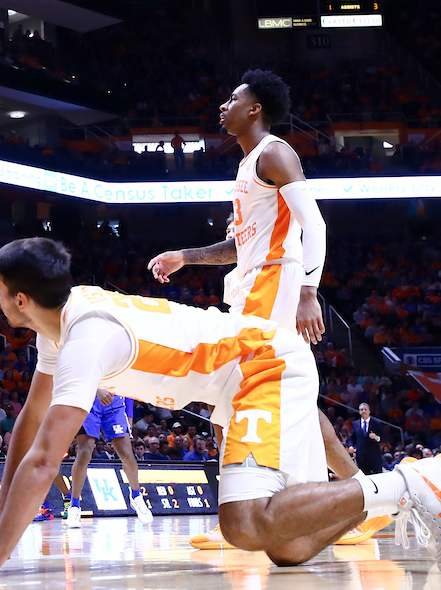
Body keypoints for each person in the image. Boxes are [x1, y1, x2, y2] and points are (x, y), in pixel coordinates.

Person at [0, 238, 441, 581]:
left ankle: (413, 482)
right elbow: (29, 424)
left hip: (261, 363)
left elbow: (45, 460)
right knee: (291, 547)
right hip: (241, 377)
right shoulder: (57, 326)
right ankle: (394, 496)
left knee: (244, 523)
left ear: (20, 298)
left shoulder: (85, 338)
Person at [147, 69, 372, 549]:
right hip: (252, 283)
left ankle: (338, 499)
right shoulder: (249, 165)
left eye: (232, 98)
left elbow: (315, 223)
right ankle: (359, 498)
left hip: (275, 283)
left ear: (255, 109)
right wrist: (186, 257)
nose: (222, 105)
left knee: (242, 388)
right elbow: (239, 244)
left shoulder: (274, 151)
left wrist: (309, 289)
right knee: (273, 398)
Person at [64, 392, 150, 528]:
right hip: (89, 401)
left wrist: (130, 414)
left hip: (114, 404)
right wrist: (97, 390)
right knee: (84, 452)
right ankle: (74, 506)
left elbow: (127, 382)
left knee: (127, 453)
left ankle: (136, 496)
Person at [352, 402, 387, 475]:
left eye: (365, 409)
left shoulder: (377, 423)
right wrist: (351, 446)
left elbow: (384, 437)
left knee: (377, 478)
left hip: (374, 456)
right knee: (364, 479)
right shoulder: (355, 424)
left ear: (369, 411)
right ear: (359, 411)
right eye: (361, 409)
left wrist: (376, 437)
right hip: (361, 457)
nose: (363, 411)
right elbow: (353, 438)